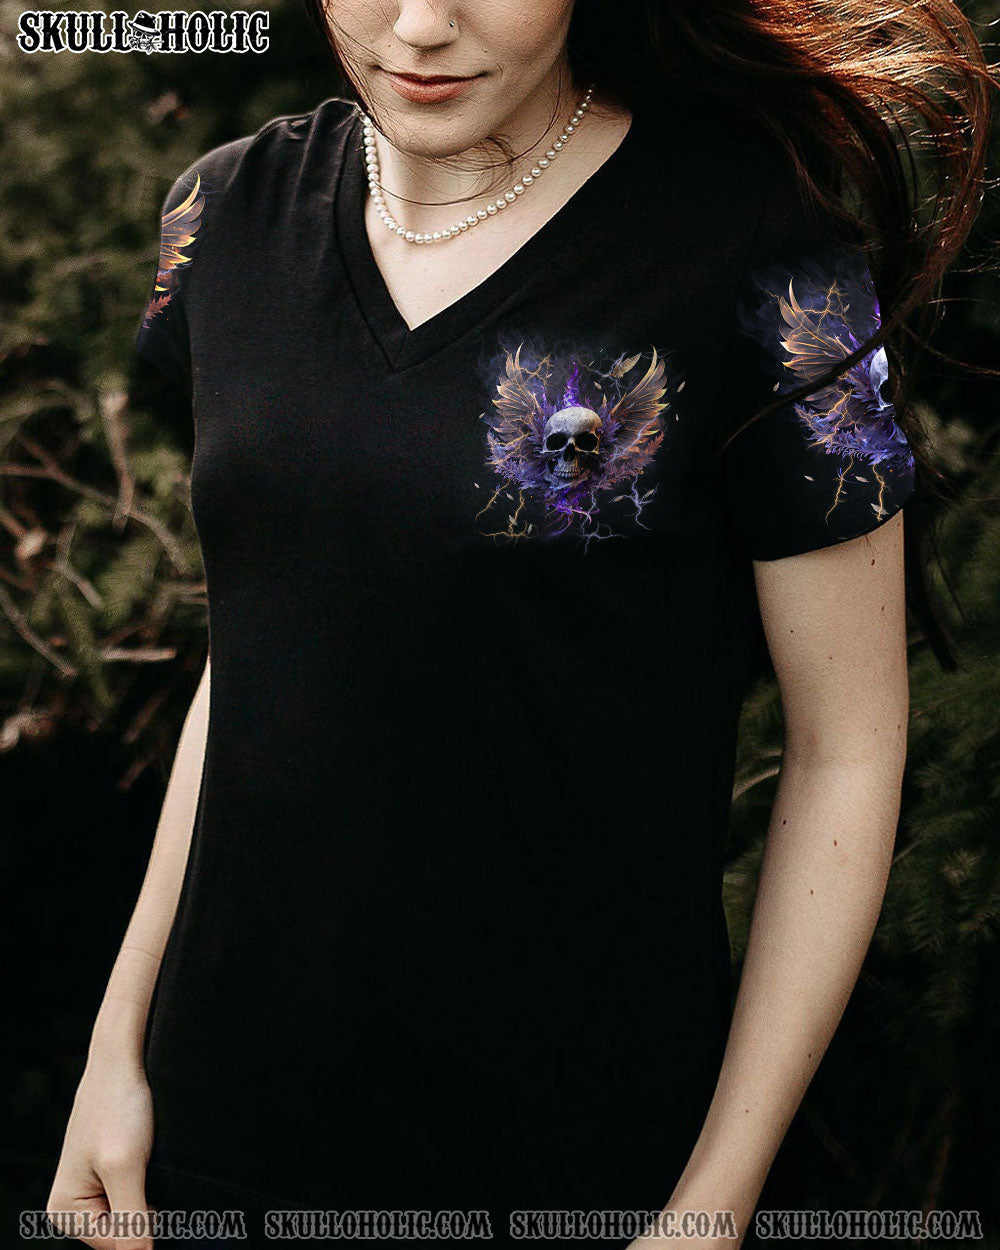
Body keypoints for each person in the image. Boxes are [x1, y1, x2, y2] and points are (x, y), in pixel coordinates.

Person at [46, 2, 994, 1248]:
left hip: (573, 1164)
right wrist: (116, 1047)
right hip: (211, 1141)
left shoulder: (769, 254)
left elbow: (848, 746)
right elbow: (261, 648)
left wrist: (710, 1203)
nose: (420, 25)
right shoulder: (224, 214)